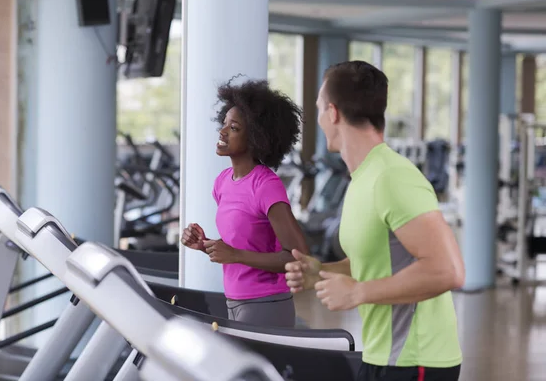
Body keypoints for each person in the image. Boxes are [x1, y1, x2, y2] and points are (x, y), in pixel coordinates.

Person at [285, 61, 465, 380]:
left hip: (416, 360)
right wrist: (322, 271)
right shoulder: (363, 178)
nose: (318, 119)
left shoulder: (392, 177)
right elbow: (379, 260)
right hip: (383, 353)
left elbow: (448, 270)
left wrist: (357, 293)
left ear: (333, 112)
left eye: (318, 109)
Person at [181, 78, 309, 328]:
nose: (223, 131)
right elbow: (240, 247)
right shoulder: (222, 182)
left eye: (234, 128)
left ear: (255, 138)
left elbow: (298, 257)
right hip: (234, 301)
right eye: (224, 124)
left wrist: (235, 254)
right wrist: (205, 245)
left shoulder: (266, 185)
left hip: (267, 304)